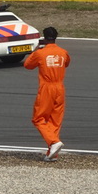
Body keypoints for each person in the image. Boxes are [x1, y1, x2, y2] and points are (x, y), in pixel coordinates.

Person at [23, 26, 71, 162]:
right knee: (55, 121)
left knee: (38, 118)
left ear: (44, 37)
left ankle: (53, 142)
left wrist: (37, 49)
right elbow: (66, 63)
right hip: (60, 87)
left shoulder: (40, 53)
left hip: (47, 87)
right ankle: (52, 153)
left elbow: (27, 65)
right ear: (56, 37)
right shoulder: (63, 52)